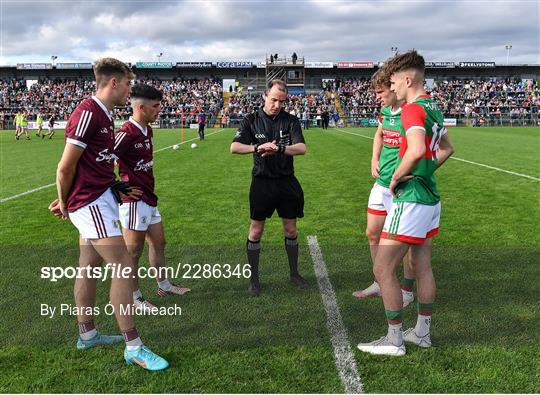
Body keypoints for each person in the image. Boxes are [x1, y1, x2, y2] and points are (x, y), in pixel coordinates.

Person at [48, 58, 169, 371]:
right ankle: (134, 346)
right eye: (127, 84)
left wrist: (116, 187)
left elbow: (94, 165)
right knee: (125, 265)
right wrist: (65, 202)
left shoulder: (102, 115)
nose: (129, 90)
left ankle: (87, 334)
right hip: (90, 203)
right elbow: (65, 166)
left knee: (88, 265)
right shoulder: (88, 113)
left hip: (98, 197)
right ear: (113, 83)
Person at [357, 50, 454, 356]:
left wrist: (398, 177)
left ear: (408, 79)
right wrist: (425, 170)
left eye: (395, 81)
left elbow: (413, 152)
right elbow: (447, 149)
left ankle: (394, 339)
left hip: (411, 198)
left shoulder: (412, 109)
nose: (393, 86)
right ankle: (422, 333)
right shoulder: (434, 108)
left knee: (383, 267)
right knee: (422, 265)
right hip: (430, 198)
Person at [114, 83, 190, 312]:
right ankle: (134, 297)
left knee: (159, 242)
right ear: (140, 107)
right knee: (132, 253)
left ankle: (164, 285)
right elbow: (104, 158)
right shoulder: (126, 132)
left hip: (149, 198)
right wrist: (117, 186)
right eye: (156, 106)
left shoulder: (148, 129)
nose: (159, 110)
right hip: (134, 202)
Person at [230, 79, 308, 296]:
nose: (277, 105)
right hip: (262, 182)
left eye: (281, 101)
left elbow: (302, 148)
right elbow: (234, 147)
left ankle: (294, 273)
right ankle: (254, 279)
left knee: (291, 229)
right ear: (264, 96)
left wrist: (279, 149)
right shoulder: (251, 120)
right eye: (274, 100)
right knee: (255, 231)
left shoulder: (290, 120)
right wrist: (257, 147)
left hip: (286, 181)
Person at [352, 68, 415, 308]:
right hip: (381, 183)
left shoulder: (411, 113)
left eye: (380, 92)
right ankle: (379, 281)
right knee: (372, 233)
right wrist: (373, 159)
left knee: (406, 240)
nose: (377, 97)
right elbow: (379, 135)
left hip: (402, 186)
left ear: (393, 87)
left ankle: (407, 290)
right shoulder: (386, 111)